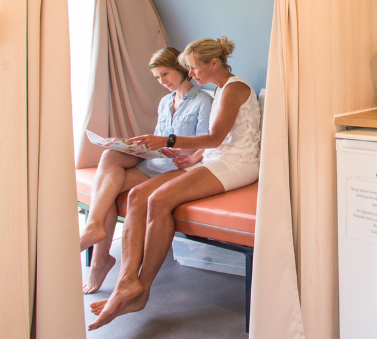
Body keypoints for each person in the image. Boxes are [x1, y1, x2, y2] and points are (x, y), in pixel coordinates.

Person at [88, 37, 261, 330]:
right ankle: (126, 281)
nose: (190, 74)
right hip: (216, 158)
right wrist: (192, 157)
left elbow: (215, 138)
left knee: (159, 199)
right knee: (139, 195)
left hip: (238, 162)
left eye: (194, 68)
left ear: (213, 63)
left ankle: (142, 288)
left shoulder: (235, 88)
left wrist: (167, 141)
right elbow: (213, 143)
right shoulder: (221, 89)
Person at [80, 46, 212, 294]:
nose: (162, 81)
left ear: (181, 68)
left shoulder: (203, 101)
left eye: (165, 74)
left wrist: (186, 155)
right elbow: (160, 138)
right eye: (157, 77)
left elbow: (207, 141)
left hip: (179, 167)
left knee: (109, 187)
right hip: (155, 162)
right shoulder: (165, 102)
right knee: (110, 156)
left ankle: (99, 259)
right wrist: (138, 146)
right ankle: (96, 237)